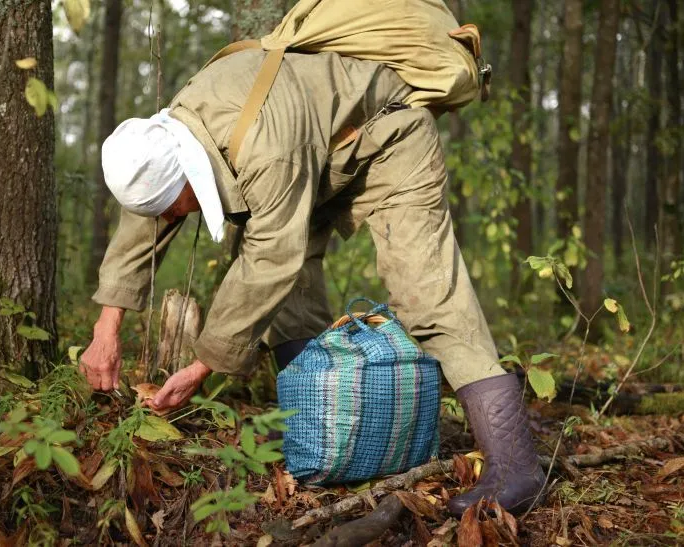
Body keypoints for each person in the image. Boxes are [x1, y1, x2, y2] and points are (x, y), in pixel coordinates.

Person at [79, 48, 545, 516]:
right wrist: (107, 328)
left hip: (387, 141)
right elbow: (147, 218)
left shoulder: (266, 146)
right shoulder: (167, 138)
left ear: (190, 177)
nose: (168, 218)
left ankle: (513, 465)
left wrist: (203, 365)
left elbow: (269, 260)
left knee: (426, 293)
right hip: (317, 155)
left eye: (173, 206)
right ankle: (319, 427)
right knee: (292, 301)